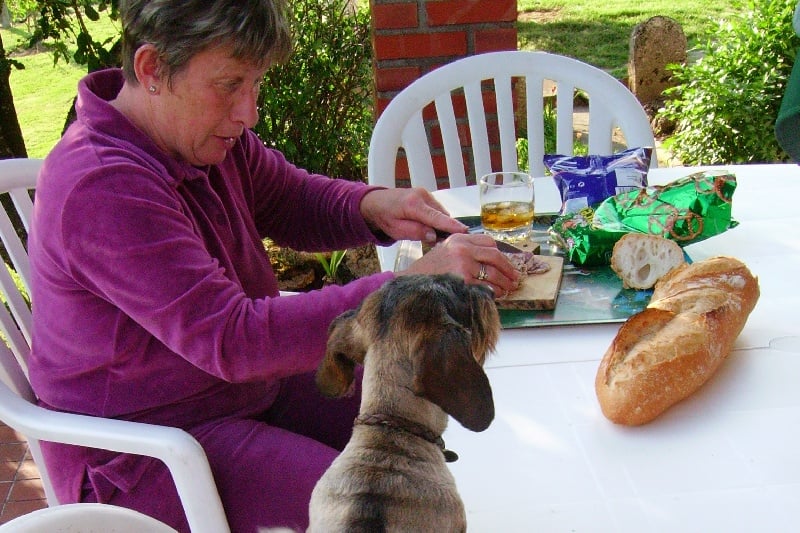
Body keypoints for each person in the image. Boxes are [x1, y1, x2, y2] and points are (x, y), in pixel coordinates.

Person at [27, 0, 520, 531]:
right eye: (230, 84)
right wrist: (406, 288)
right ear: (151, 70)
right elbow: (234, 340)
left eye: (255, 84)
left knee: (423, 410)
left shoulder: (197, 137)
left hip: (237, 393)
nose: (248, 112)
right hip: (143, 455)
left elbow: (287, 198)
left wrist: (374, 206)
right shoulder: (102, 186)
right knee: (381, 506)